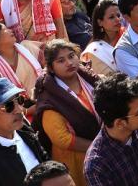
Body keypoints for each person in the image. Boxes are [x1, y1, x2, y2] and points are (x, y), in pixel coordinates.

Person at [33, 40, 101, 186]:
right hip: (76, 158)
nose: (69, 63)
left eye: (71, 56)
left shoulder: (90, 78)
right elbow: (62, 138)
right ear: (51, 68)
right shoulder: (49, 98)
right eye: (61, 61)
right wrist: (100, 147)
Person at [0, 22, 43, 97]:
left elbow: (50, 62)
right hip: (19, 106)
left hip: (44, 96)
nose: (10, 30)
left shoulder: (27, 47)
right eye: (5, 29)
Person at [81, 0, 123, 75]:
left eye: (118, 15)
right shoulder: (94, 50)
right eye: (111, 17)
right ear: (100, 22)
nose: (117, 19)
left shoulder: (127, 35)